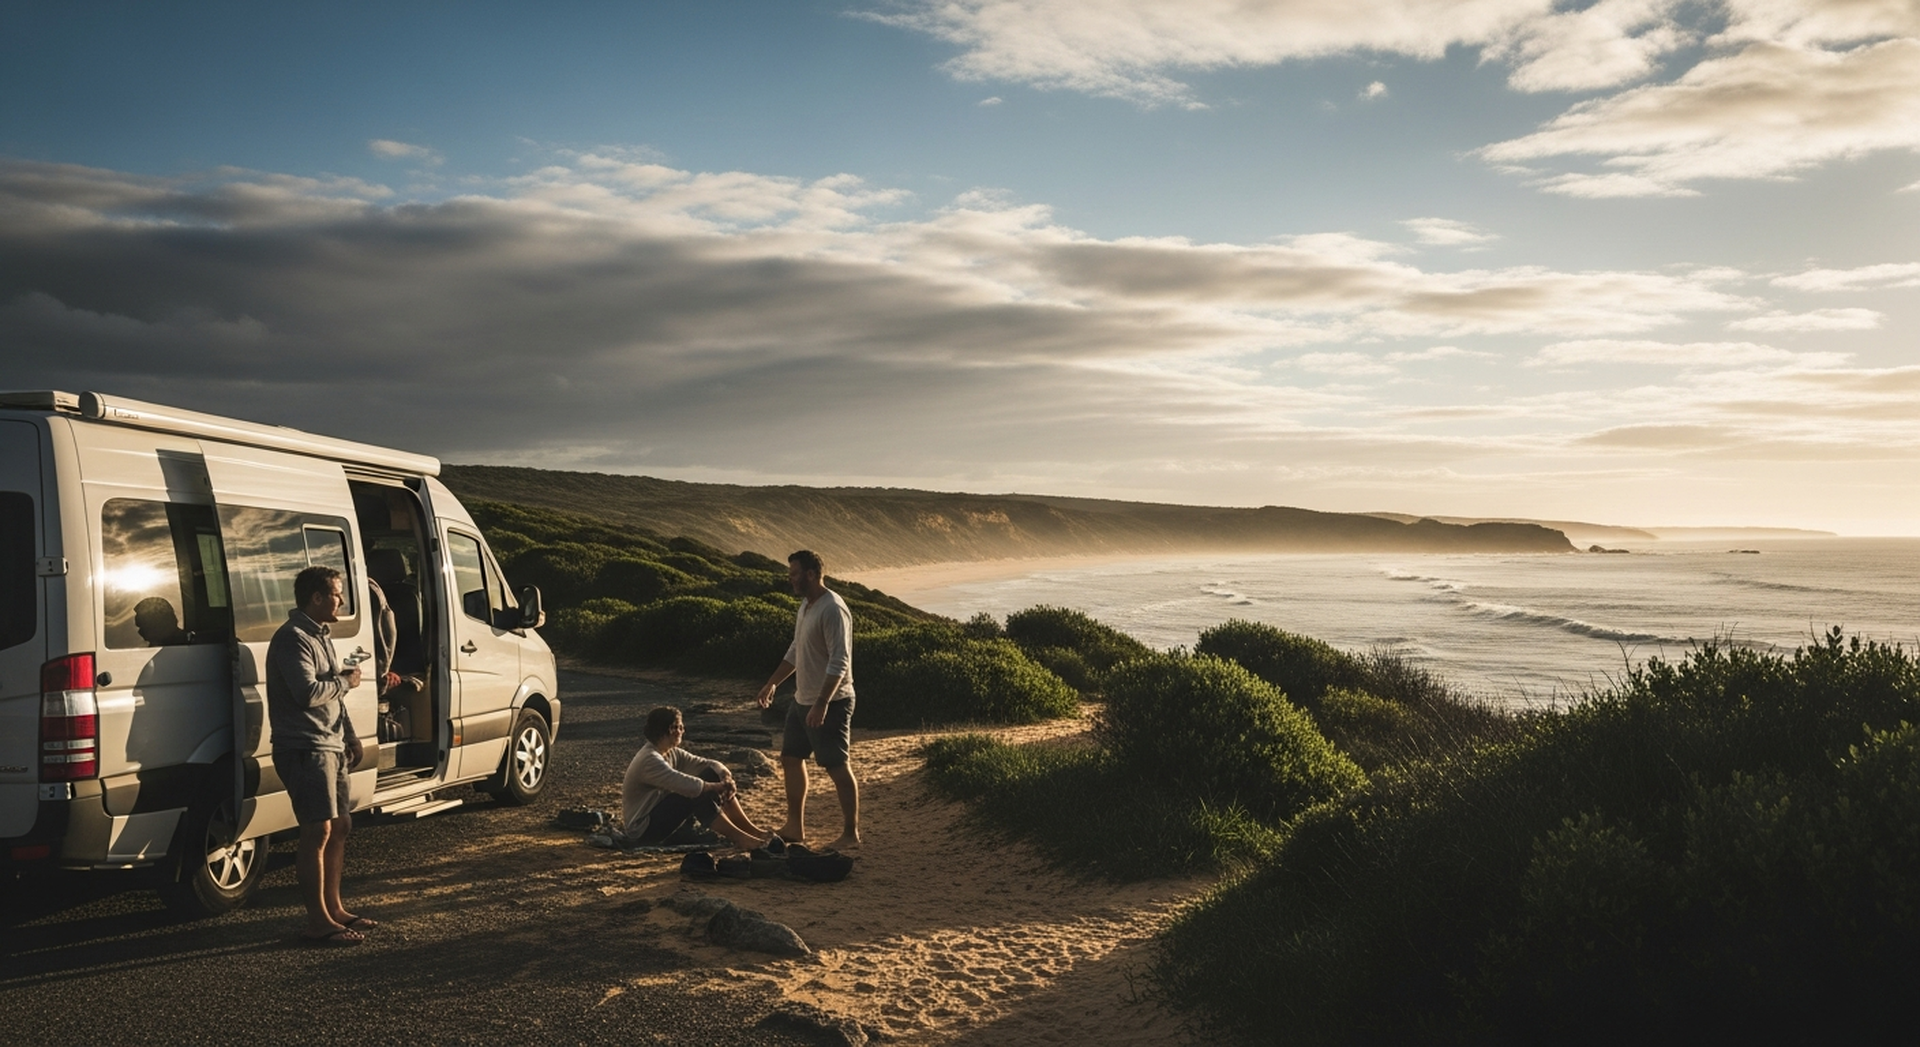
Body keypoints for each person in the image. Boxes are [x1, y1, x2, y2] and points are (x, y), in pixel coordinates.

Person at [266, 565, 374, 946]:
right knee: (317, 829)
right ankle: (318, 922)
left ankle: (335, 909)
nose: (341, 600)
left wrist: (350, 736)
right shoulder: (293, 638)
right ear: (316, 597)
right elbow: (308, 693)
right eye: (336, 594)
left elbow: (333, 697)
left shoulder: (320, 636)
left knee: (340, 826)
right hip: (305, 746)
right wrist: (346, 681)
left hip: (330, 744)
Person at [753, 549, 860, 851]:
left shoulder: (832, 609)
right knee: (790, 758)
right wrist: (772, 683)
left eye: (795, 574)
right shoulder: (806, 605)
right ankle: (795, 827)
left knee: (837, 765)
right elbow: (796, 649)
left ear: (812, 574)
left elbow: (840, 661)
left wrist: (823, 703)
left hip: (832, 701)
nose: (790, 579)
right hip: (802, 699)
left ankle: (851, 833)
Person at [621, 706, 776, 849]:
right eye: (679, 727)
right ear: (670, 729)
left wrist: (725, 777)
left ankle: (752, 831)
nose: (682, 730)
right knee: (696, 794)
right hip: (643, 829)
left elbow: (707, 764)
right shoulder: (650, 759)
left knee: (711, 776)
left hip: (660, 814)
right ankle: (739, 838)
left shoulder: (670, 752)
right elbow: (686, 785)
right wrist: (715, 787)